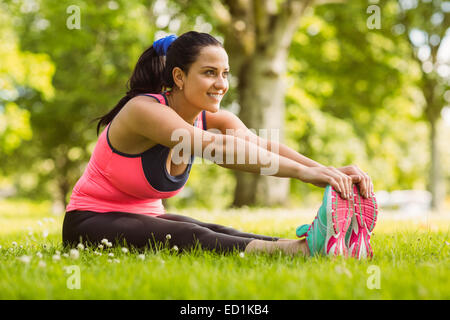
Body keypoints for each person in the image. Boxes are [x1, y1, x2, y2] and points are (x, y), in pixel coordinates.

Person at [62, 31, 378, 258]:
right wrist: (302, 174)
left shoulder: (211, 117)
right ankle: (303, 251)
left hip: (147, 216)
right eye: (209, 73)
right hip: (90, 219)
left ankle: (322, 244)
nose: (221, 84)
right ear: (179, 76)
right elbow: (218, 150)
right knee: (191, 236)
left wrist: (328, 171)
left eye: (224, 73)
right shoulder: (143, 111)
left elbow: (261, 147)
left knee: (218, 230)